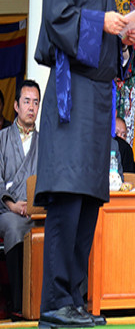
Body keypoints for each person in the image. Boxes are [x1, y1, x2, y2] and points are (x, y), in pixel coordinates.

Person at [33, 0, 135, 328]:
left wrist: (125, 39)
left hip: (97, 96)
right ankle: (55, 302)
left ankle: (73, 299)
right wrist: (103, 24)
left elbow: (101, 31)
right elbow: (58, 19)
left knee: (91, 199)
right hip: (69, 93)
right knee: (67, 197)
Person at [0, 80, 41, 319]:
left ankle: (38, 302)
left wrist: (34, 206)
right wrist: (13, 205)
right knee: (15, 227)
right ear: (16, 105)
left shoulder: (44, 142)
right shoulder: (3, 139)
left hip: (34, 211)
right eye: (26, 101)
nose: (31, 107)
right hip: (6, 211)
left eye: (36, 102)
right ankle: (18, 303)